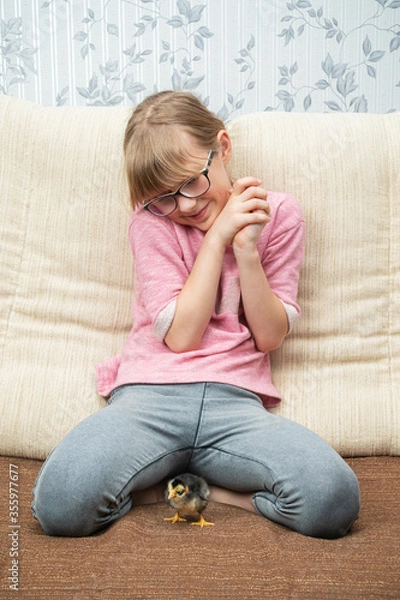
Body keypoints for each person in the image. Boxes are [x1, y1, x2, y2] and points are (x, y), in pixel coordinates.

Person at [32, 91, 360, 538]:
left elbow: (269, 337)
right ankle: (169, 483)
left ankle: (216, 492)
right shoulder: (151, 221)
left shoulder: (279, 214)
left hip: (235, 406)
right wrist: (215, 238)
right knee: (60, 503)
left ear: (222, 148)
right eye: (163, 196)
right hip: (149, 399)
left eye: (191, 182)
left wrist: (245, 250)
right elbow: (182, 336)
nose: (183, 205)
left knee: (334, 498)